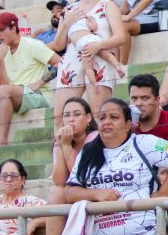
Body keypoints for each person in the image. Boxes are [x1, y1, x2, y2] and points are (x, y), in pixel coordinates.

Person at [66, 98, 168, 235]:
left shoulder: (145, 142)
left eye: (114, 117)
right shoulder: (87, 152)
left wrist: (162, 194)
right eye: (102, 118)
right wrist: (96, 194)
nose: (107, 122)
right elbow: (70, 192)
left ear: (127, 125)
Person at [51, 0, 127, 123]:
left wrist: (98, 45)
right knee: (60, 116)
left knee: (98, 114)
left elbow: (121, 37)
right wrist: (65, 23)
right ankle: (62, 148)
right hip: (71, 62)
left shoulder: (108, 5)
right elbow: (58, 46)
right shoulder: (69, 9)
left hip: (100, 59)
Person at [0, 12, 59, 145]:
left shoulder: (31, 44)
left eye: (1, 30)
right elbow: (4, 85)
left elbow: (60, 63)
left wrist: (40, 82)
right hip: (16, 95)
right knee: (2, 91)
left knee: (2, 91)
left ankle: (2, 142)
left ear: (13, 28)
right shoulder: (3, 51)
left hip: (38, 95)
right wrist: (0, 60)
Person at [47, 97, 98, 235]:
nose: (71, 119)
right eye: (66, 115)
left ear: (88, 118)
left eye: (76, 114)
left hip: (94, 189)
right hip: (72, 194)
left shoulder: (95, 138)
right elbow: (59, 181)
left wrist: (66, 145)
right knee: (57, 192)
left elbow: (81, 177)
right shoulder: (62, 141)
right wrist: (61, 145)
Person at [0, 159, 46, 234]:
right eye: (4, 176)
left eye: (14, 176)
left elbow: (55, 216)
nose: (8, 179)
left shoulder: (31, 201)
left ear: (22, 179)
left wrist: (34, 223)